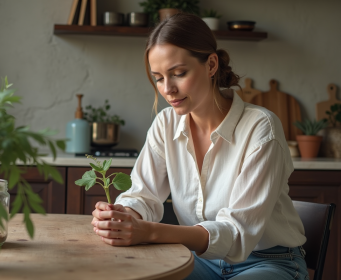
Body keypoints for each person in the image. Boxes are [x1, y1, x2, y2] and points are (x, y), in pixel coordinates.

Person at [91, 13, 308, 280]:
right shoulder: (165, 124)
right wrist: (123, 216)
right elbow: (143, 195)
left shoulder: (261, 128)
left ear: (211, 64)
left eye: (179, 73)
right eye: (158, 78)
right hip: (199, 259)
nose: (168, 89)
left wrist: (149, 232)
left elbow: (237, 234)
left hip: (268, 262)